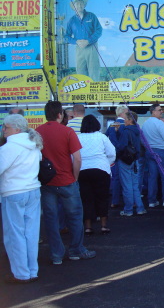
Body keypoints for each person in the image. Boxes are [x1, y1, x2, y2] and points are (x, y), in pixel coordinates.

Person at [36, 101, 96, 265]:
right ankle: (76, 250)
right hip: (67, 180)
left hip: (47, 183)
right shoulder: (67, 131)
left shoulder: (37, 132)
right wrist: (75, 177)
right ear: (59, 114)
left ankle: (56, 254)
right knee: (75, 217)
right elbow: (77, 158)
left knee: (51, 219)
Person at [0, 115, 42, 283]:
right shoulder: (34, 144)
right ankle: (32, 271)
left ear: (16, 129)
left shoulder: (9, 147)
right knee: (31, 233)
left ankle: (21, 273)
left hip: (13, 192)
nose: (3, 129)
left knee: (14, 234)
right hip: (33, 190)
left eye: (6, 127)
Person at [78, 115, 116, 234]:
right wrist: (107, 163)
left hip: (83, 170)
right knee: (102, 198)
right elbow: (111, 153)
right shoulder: (101, 137)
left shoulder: (78, 138)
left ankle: (88, 226)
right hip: (100, 169)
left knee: (86, 199)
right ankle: (103, 225)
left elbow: (73, 156)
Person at [142, 104, 164, 208]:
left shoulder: (145, 123)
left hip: (150, 151)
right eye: (159, 110)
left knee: (152, 177)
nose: (161, 112)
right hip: (163, 151)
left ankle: (152, 201)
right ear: (153, 111)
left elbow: (142, 139)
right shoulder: (160, 123)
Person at [65, 0, 102, 81]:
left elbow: (99, 30)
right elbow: (66, 36)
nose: (79, 6)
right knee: (80, 72)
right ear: (74, 7)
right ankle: (84, 91)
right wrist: (76, 41)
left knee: (94, 72)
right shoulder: (72, 20)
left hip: (92, 47)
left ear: (84, 5)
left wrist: (88, 40)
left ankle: (95, 92)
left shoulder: (91, 16)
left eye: (81, 4)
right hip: (79, 49)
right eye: (77, 4)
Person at [116, 111, 146, 216]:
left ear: (129, 120)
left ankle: (128, 209)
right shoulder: (138, 130)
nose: (124, 121)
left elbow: (122, 146)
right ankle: (140, 208)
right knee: (134, 185)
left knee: (127, 185)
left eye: (125, 119)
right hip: (135, 159)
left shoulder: (126, 131)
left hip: (125, 160)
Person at [105, 105, 128, 208]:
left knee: (115, 178)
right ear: (122, 113)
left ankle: (115, 200)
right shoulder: (126, 124)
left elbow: (106, 137)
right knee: (127, 179)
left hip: (113, 155)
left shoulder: (112, 125)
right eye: (127, 112)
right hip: (125, 155)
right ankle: (128, 202)